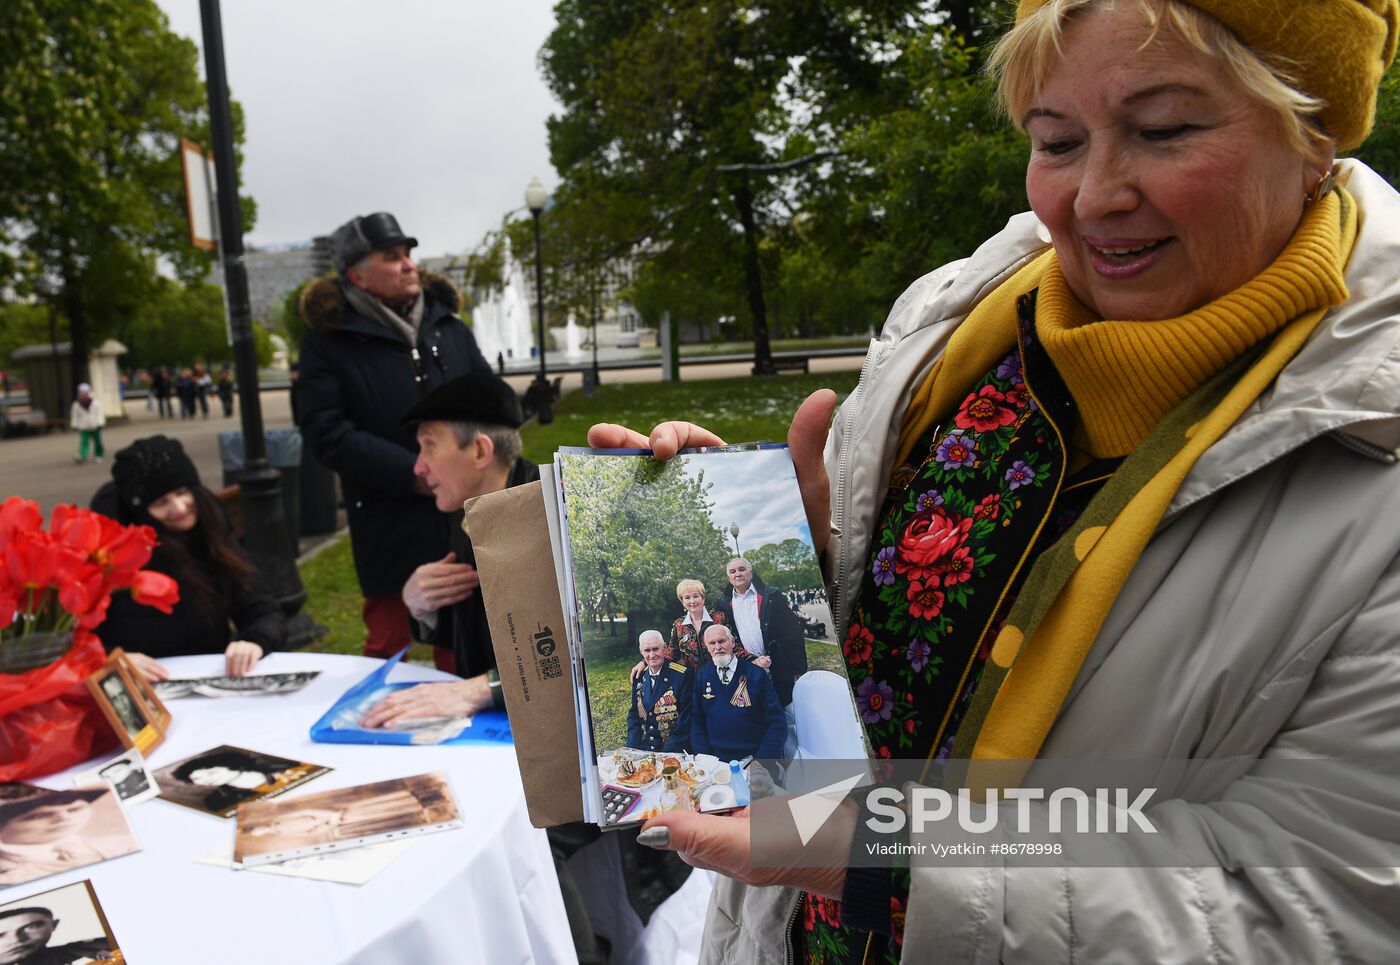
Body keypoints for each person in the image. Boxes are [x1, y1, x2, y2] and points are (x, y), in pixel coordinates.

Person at [591, 2, 1400, 961]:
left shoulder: (1371, 455)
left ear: (1313, 134)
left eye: (1165, 130)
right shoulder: (956, 328)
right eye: (1055, 140)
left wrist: (884, 858)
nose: (1094, 195)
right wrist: (800, 577)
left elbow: (1326, 906)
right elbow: (854, 701)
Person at [297, 212, 492, 661]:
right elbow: (325, 431)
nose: (408, 265)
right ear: (357, 275)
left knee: (466, 645)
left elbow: (489, 400)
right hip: (389, 517)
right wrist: (413, 474)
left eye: (408, 254)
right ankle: (376, 730)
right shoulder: (327, 341)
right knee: (388, 645)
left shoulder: (449, 326)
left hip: (463, 514)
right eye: (392, 257)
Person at [356, 373, 535, 721]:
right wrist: (421, 604)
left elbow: (571, 655)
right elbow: (476, 631)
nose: (419, 466)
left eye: (429, 445)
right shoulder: (468, 512)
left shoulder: (546, 518)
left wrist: (480, 691)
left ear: (480, 451)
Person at [91, 435, 286, 681]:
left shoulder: (212, 530)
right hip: (143, 684)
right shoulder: (111, 555)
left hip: (212, 675)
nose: (180, 508)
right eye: (162, 503)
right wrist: (113, 658)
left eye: (183, 492)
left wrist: (254, 641)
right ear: (141, 513)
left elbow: (262, 609)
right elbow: (80, 639)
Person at [715, 557, 807, 706]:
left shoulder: (772, 597)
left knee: (790, 713)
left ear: (750, 573)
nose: (737, 574)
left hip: (780, 666)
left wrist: (799, 670)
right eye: (733, 571)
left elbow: (793, 633)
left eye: (742, 569)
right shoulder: (723, 604)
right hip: (749, 669)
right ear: (729, 578)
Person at [690, 624, 786, 763]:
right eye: (712, 643)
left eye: (722, 641)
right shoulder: (701, 676)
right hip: (716, 762)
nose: (717, 647)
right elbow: (697, 722)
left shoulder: (756, 674)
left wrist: (762, 763)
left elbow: (777, 724)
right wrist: (706, 760)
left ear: (733, 642)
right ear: (706, 646)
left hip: (754, 758)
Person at [0, 788, 128, 885]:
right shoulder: (8, 875)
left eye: (73, 810)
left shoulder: (116, 845)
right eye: (39, 816)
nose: (64, 818)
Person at [626, 629, 693, 753]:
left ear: (665, 648)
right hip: (645, 747)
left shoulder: (682, 675)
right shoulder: (639, 676)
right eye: (647, 650)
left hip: (672, 749)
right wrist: (631, 749)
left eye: (655, 649)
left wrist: (666, 754)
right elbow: (634, 715)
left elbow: (685, 720)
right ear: (641, 651)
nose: (652, 655)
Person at [0, 907, 112, 965]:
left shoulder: (87, 950)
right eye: (1, 935)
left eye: (32, 926)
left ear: (54, 924)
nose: (17, 940)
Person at [667, 578, 730, 668]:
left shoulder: (719, 618)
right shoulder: (679, 624)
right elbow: (672, 652)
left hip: (721, 673)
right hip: (693, 679)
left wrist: (751, 659)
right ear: (683, 602)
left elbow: (734, 643)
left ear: (703, 598)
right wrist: (646, 662)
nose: (692, 601)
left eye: (695, 596)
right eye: (687, 598)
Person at [68, 383, 104, 464]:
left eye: (86, 392)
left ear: (89, 392)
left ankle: (99, 455)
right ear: (79, 393)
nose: (84, 394)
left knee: (98, 442)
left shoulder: (96, 403)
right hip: (83, 427)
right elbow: (74, 416)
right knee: (84, 442)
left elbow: (100, 414)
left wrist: (100, 423)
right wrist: (74, 425)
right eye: (82, 393)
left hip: (95, 425)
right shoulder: (76, 405)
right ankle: (82, 455)